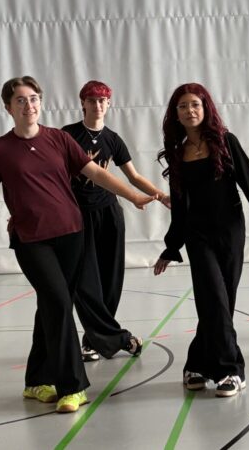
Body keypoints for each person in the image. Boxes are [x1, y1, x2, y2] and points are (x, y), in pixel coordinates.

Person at [0, 76, 155, 413]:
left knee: (51, 306)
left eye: (34, 98)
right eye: (21, 100)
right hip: (31, 240)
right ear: (8, 107)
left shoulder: (59, 139)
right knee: (58, 302)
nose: (29, 105)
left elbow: (98, 174)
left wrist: (134, 196)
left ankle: (36, 381)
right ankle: (72, 386)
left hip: (72, 234)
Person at [153, 83, 249, 397]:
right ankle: (230, 370)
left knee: (223, 302)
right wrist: (172, 245)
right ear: (175, 114)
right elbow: (179, 205)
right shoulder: (177, 152)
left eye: (195, 104)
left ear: (205, 107)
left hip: (230, 231)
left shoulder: (225, 141)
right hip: (197, 235)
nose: (190, 110)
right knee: (212, 298)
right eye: (183, 106)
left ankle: (197, 362)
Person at [63, 80, 170, 362]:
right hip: (77, 216)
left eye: (102, 101)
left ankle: (92, 341)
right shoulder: (67, 135)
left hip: (109, 214)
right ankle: (115, 338)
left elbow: (134, 176)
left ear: (109, 104)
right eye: (92, 100)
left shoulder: (113, 139)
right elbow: (52, 175)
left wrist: (160, 196)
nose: (98, 105)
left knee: (110, 280)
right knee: (86, 283)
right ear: (83, 103)